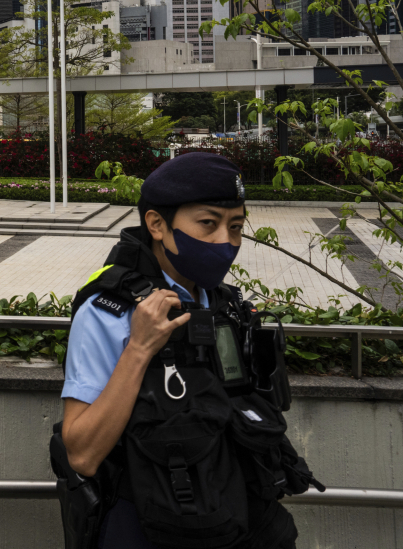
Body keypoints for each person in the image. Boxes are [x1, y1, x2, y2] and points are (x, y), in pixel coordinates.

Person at [52, 152, 322, 549]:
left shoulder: (222, 301)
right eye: (208, 224)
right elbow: (82, 454)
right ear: (157, 225)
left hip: (236, 517)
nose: (225, 242)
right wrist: (140, 347)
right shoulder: (110, 311)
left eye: (235, 226)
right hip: (151, 522)